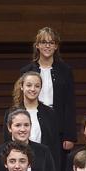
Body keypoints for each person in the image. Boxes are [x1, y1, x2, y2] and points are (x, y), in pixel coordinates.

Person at [21, 26, 77, 156]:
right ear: (37, 45)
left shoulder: (65, 71)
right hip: (33, 119)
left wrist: (69, 135)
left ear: (56, 46)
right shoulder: (26, 71)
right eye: (43, 42)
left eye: (51, 42)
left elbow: (69, 103)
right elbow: (20, 99)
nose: (47, 46)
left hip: (58, 123)